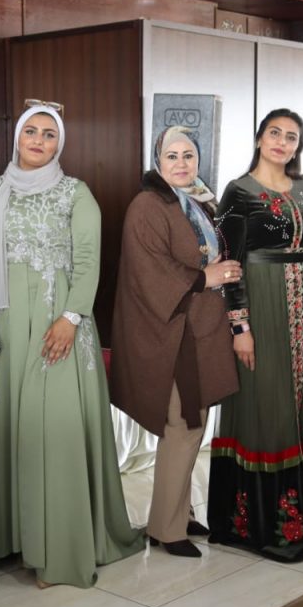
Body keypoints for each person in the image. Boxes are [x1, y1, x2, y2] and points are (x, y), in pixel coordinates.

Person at [0, 103, 143, 588]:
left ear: (58, 144)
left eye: (49, 134)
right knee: (11, 428)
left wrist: (70, 318)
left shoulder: (75, 193)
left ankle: (58, 552)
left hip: (58, 324)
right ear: (17, 137)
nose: (38, 140)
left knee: (53, 434)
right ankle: (13, 541)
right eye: (31, 131)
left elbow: (88, 261)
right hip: (5, 327)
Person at [207, 108, 303, 562]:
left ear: (299, 145)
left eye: (291, 136)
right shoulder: (239, 191)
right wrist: (240, 326)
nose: (282, 142)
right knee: (267, 404)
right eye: (275, 133)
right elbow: (228, 263)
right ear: (260, 138)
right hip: (261, 305)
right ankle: (265, 525)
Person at [110, 126, 240, 558]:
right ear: (157, 161)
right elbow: (150, 271)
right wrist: (206, 277)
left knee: (191, 427)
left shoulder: (197, 201)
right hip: (171, 334)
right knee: (182, 427)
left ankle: (178, 514)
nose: (181, 163)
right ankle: (166, 528)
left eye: (188, 155)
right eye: (172, 156)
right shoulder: (147, 206)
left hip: (197, 329)